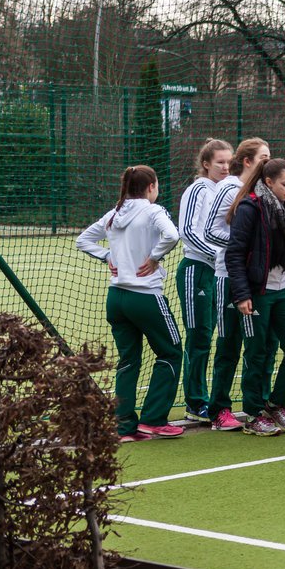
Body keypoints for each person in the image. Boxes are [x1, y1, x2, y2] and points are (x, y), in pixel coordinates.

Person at [76, 166, 184, 442]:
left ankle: (124, 427)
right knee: (171, 353)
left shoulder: (114, 213)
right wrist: (155, 257)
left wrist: (107, 257)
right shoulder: (152, 210)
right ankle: (153, 420)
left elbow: (83, 240)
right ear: (150, 187)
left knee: (128, 360)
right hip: (146, 296)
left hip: (116, 299)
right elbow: (172, 235)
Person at [225, 158, 285, 438]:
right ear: (268, 182)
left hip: (282, 291)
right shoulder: (249, 207)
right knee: (257, 353)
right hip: (256, 293)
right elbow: (234, 254)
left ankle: (276, 404)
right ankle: (252, 414)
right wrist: (242, 294)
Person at [203, 137, 270, 430]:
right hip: (229, 277)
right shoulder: (228, 188)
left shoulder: (263, 190)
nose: (269, 161)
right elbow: (210, 230)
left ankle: (258, 406)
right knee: (229, 344)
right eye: (263, 157)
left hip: (258, 281)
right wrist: (241, 249)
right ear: (246, 161)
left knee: (261, 345)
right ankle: (219, 410)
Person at [175, 139, 233, 425]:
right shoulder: (198, 188)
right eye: (219, 161)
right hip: (196, 269)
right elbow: (186, 230)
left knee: (213, 336)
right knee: (198, 338)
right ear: (206, 163)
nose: (225, 166)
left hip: (217, 273)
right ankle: (195, 402)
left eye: (228, 161)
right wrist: (218, 252)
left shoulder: (226, 189)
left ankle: (206, 399)